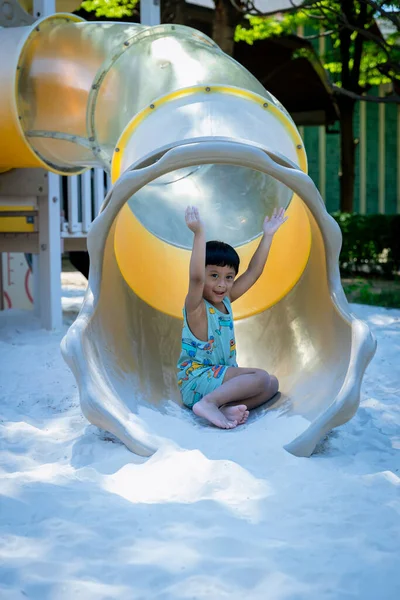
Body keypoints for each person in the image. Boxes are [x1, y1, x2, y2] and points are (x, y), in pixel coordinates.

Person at [177, 205, 288, 429]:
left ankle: (220, 406)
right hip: (197, 380)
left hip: (218, 381)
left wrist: (268, 235)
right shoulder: (196, 307)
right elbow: (197, 278)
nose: (222, 284)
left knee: (271, 384)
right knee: (260, 376)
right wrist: (199, 233)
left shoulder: (225, 300)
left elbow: (254, 272)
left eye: (229, 277)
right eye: (214, 276)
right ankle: (208, 404)